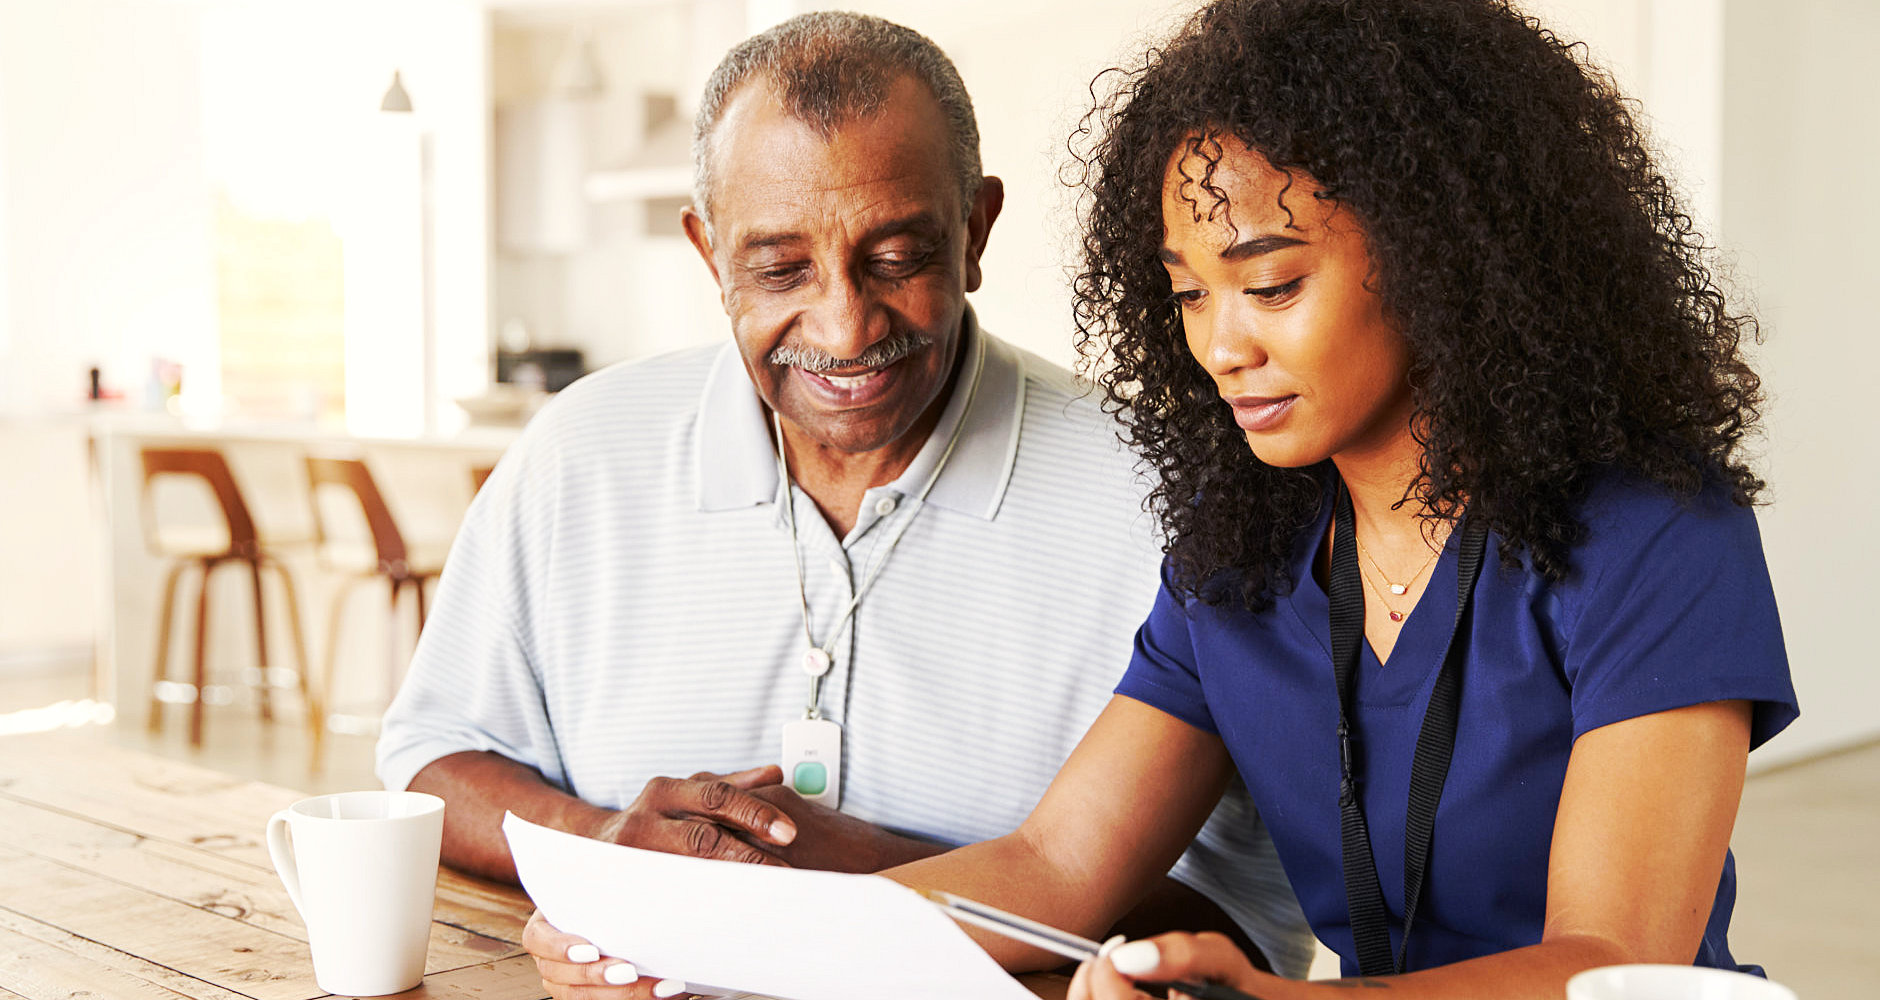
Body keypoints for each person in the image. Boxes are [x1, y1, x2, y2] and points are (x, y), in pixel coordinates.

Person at [527, 0, 1798, 996]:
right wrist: (687, 933)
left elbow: (1609, 964)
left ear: (1444, 255)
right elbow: (1053, 869)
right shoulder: (1243, 551)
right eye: (1188, 292)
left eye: (1272, 282)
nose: (1221, 343)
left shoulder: (1656, 533)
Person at [378, 10, 1312, 995]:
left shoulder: (1167, 493)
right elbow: (432, 755)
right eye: (780, 268)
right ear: (708, 254)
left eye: (898, 257)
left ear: (976, 229)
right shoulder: (578, 452)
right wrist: (610, 853)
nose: (843, 325)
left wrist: (842, 874)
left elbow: (1241, 928)